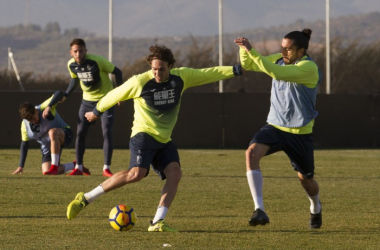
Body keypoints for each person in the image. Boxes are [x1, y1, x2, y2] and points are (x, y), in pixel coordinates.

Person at [66, 44, 242, 232]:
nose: (157, 73)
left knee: (175, 173)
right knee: (136, 174)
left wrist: (235, 69)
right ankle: (85, 198)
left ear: (171, 66)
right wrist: (96, 111)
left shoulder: (182, 78)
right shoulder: (140, 82)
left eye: (162, 69)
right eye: (154, 69)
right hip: (143, 134)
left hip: (164, 139)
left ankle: (157, 221)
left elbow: (210, 72)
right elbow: (115, 94)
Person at [234, 29, 322, 229]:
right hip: (275, 126)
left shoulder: (308, 67)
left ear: (301, 51)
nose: (284, 52)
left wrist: (252, 50)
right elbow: (249, 63)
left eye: (289, 49)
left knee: (306, 180)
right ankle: (260, 209)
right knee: (251, 153)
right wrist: (243, 49)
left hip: (300, 133)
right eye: (282, 48)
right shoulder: (280, 59)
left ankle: (315, 206)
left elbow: (277, 73)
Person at [55, 38, 123, 177]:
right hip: (87, 102)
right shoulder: (71, 65)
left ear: (86, 51)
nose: (78, 54)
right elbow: (74, 79)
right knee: (80, 133)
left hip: (106, 100)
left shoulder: (98, 61)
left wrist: (119, 94)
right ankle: (79, 167)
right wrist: (66, 95)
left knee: (106, 132)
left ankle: (106, 168)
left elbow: (118, 72)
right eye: (75, 51)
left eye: (81, 51)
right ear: (71, 53)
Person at [12, 91, 90, 176]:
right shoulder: (25, 125)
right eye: (30, 120)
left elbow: (59, 93)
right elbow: (24, 144)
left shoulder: (43, 108)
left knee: (52, 132)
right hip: (47, 146)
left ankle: (54, 167)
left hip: (64, 134)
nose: (33, 122)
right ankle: (75, 165)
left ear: (36, 111)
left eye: (33, 118)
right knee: (46, 172)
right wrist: (21, 166)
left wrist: (49, 106)